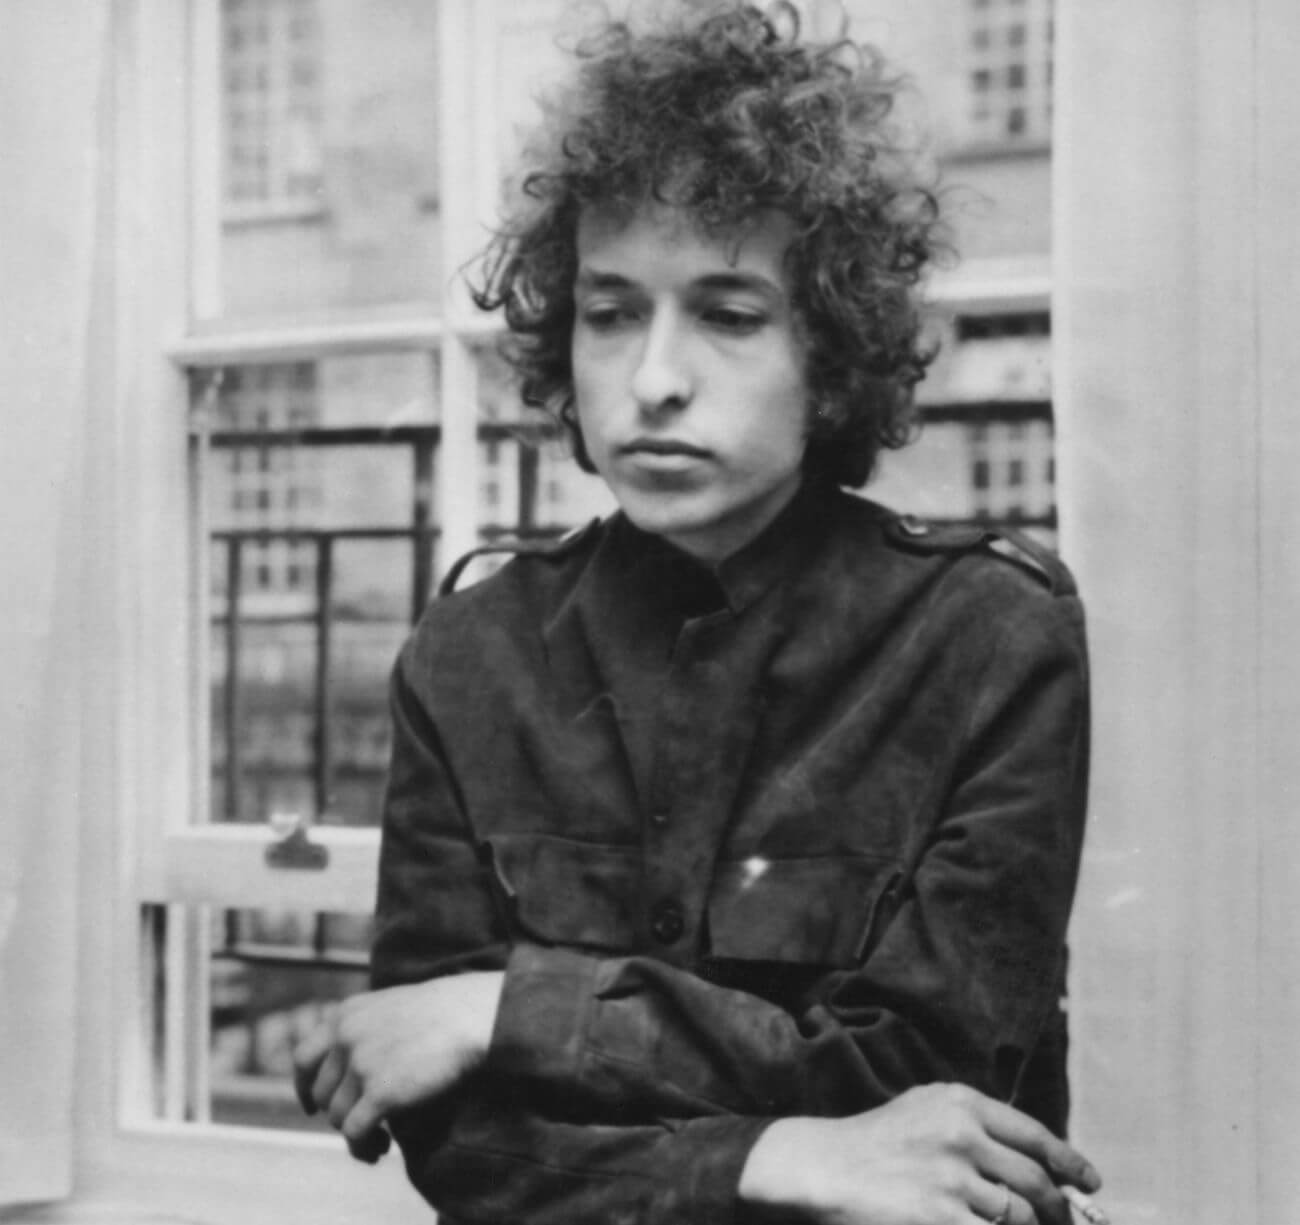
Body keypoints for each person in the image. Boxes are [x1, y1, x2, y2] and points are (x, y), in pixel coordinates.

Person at [292, 4, 1099, 1222]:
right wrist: (785, 1156)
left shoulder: (989, 638)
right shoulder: (470, 655)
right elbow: (455, 1139)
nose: (654, 378)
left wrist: (503, 1012)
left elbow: (933, 1095)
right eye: (611, 311)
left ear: (828, 352)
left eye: (728, 314)